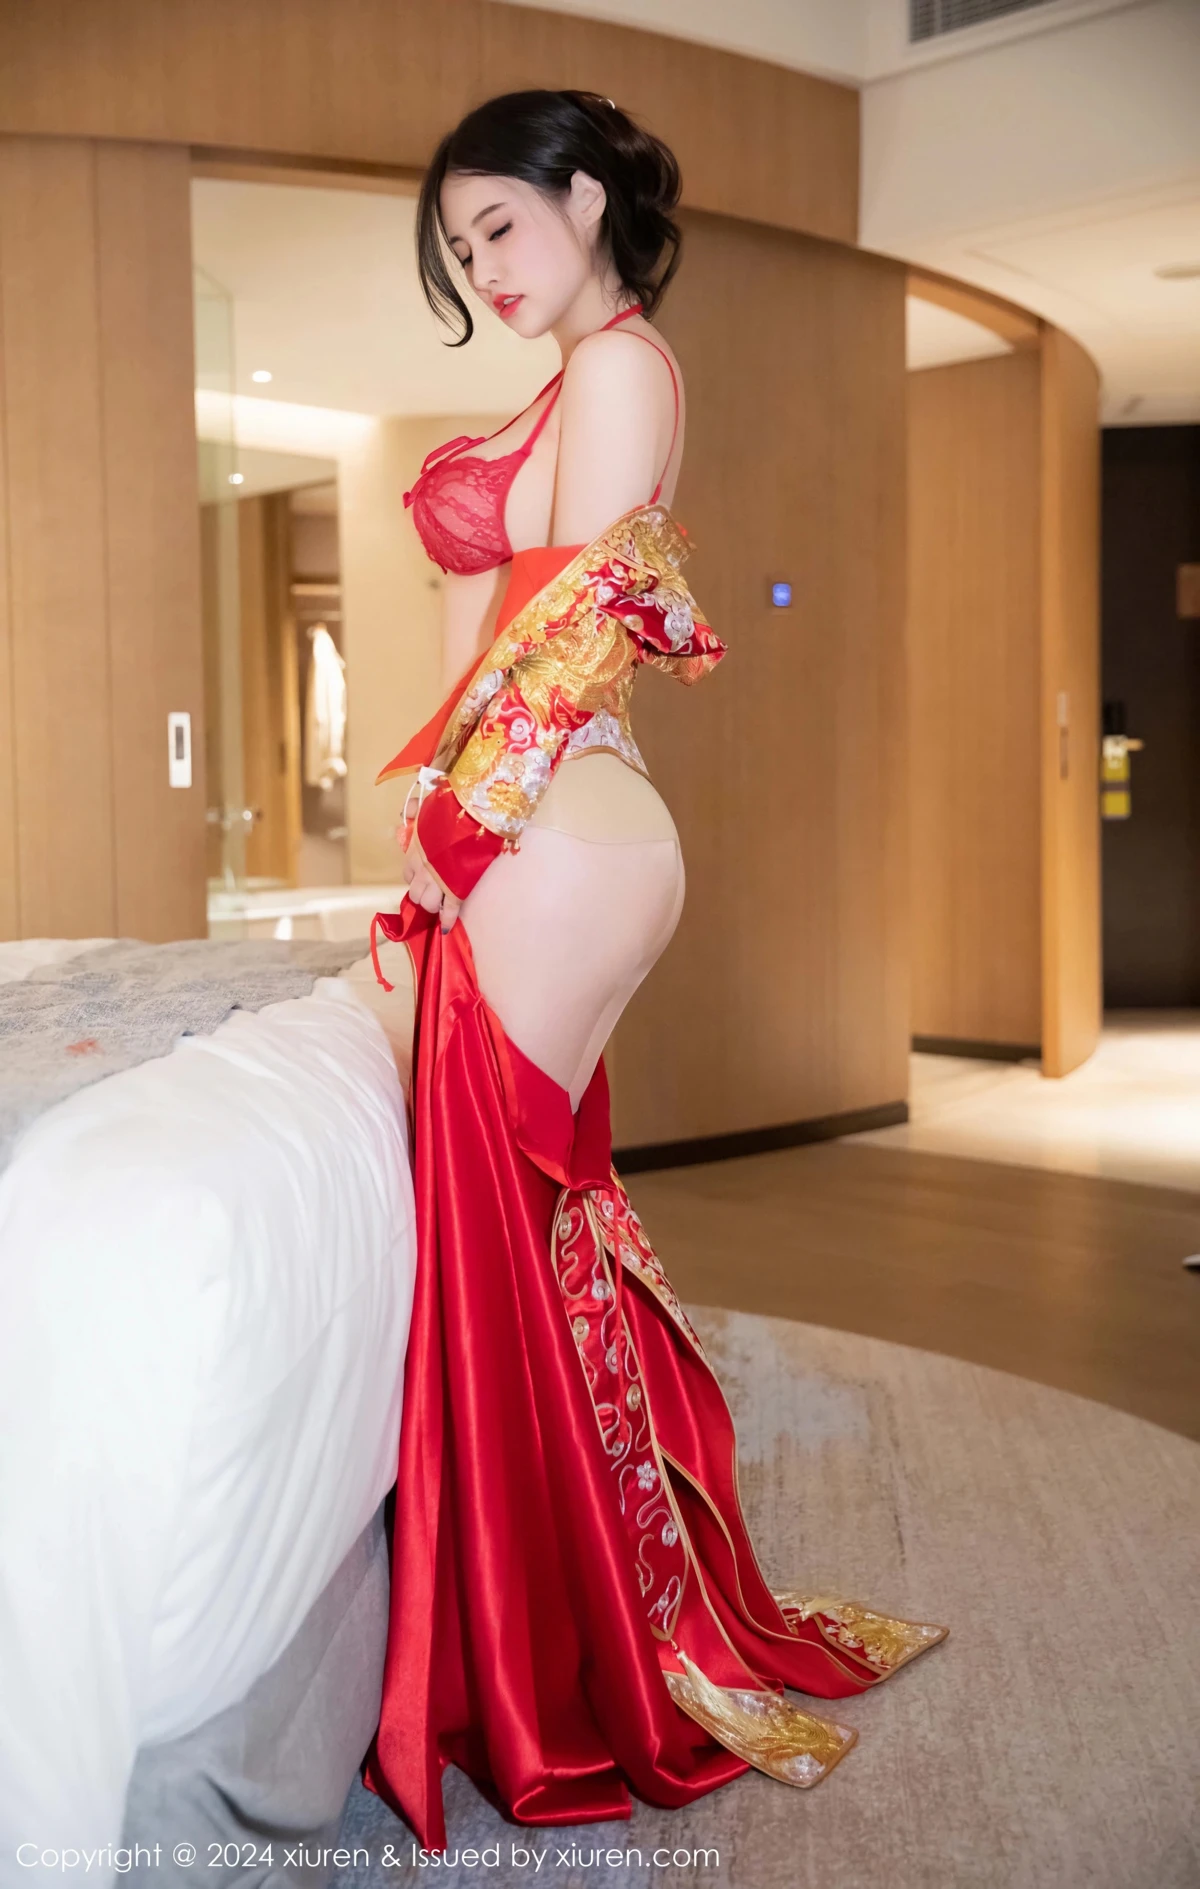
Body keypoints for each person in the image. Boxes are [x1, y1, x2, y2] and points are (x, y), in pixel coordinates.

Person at [365, 89, 945, 1854]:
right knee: (527, 1239)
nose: (483, 265)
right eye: (458, 246)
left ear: (587, 198)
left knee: (500, 1232)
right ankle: (590, 1614)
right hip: (551, 830)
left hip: (556, 833)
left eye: (501, 225)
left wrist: (455, 831)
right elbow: (511, 634)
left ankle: (579, 1648)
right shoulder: (577, 378)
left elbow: (574, 635)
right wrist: (447, 815)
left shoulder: (621, 367)